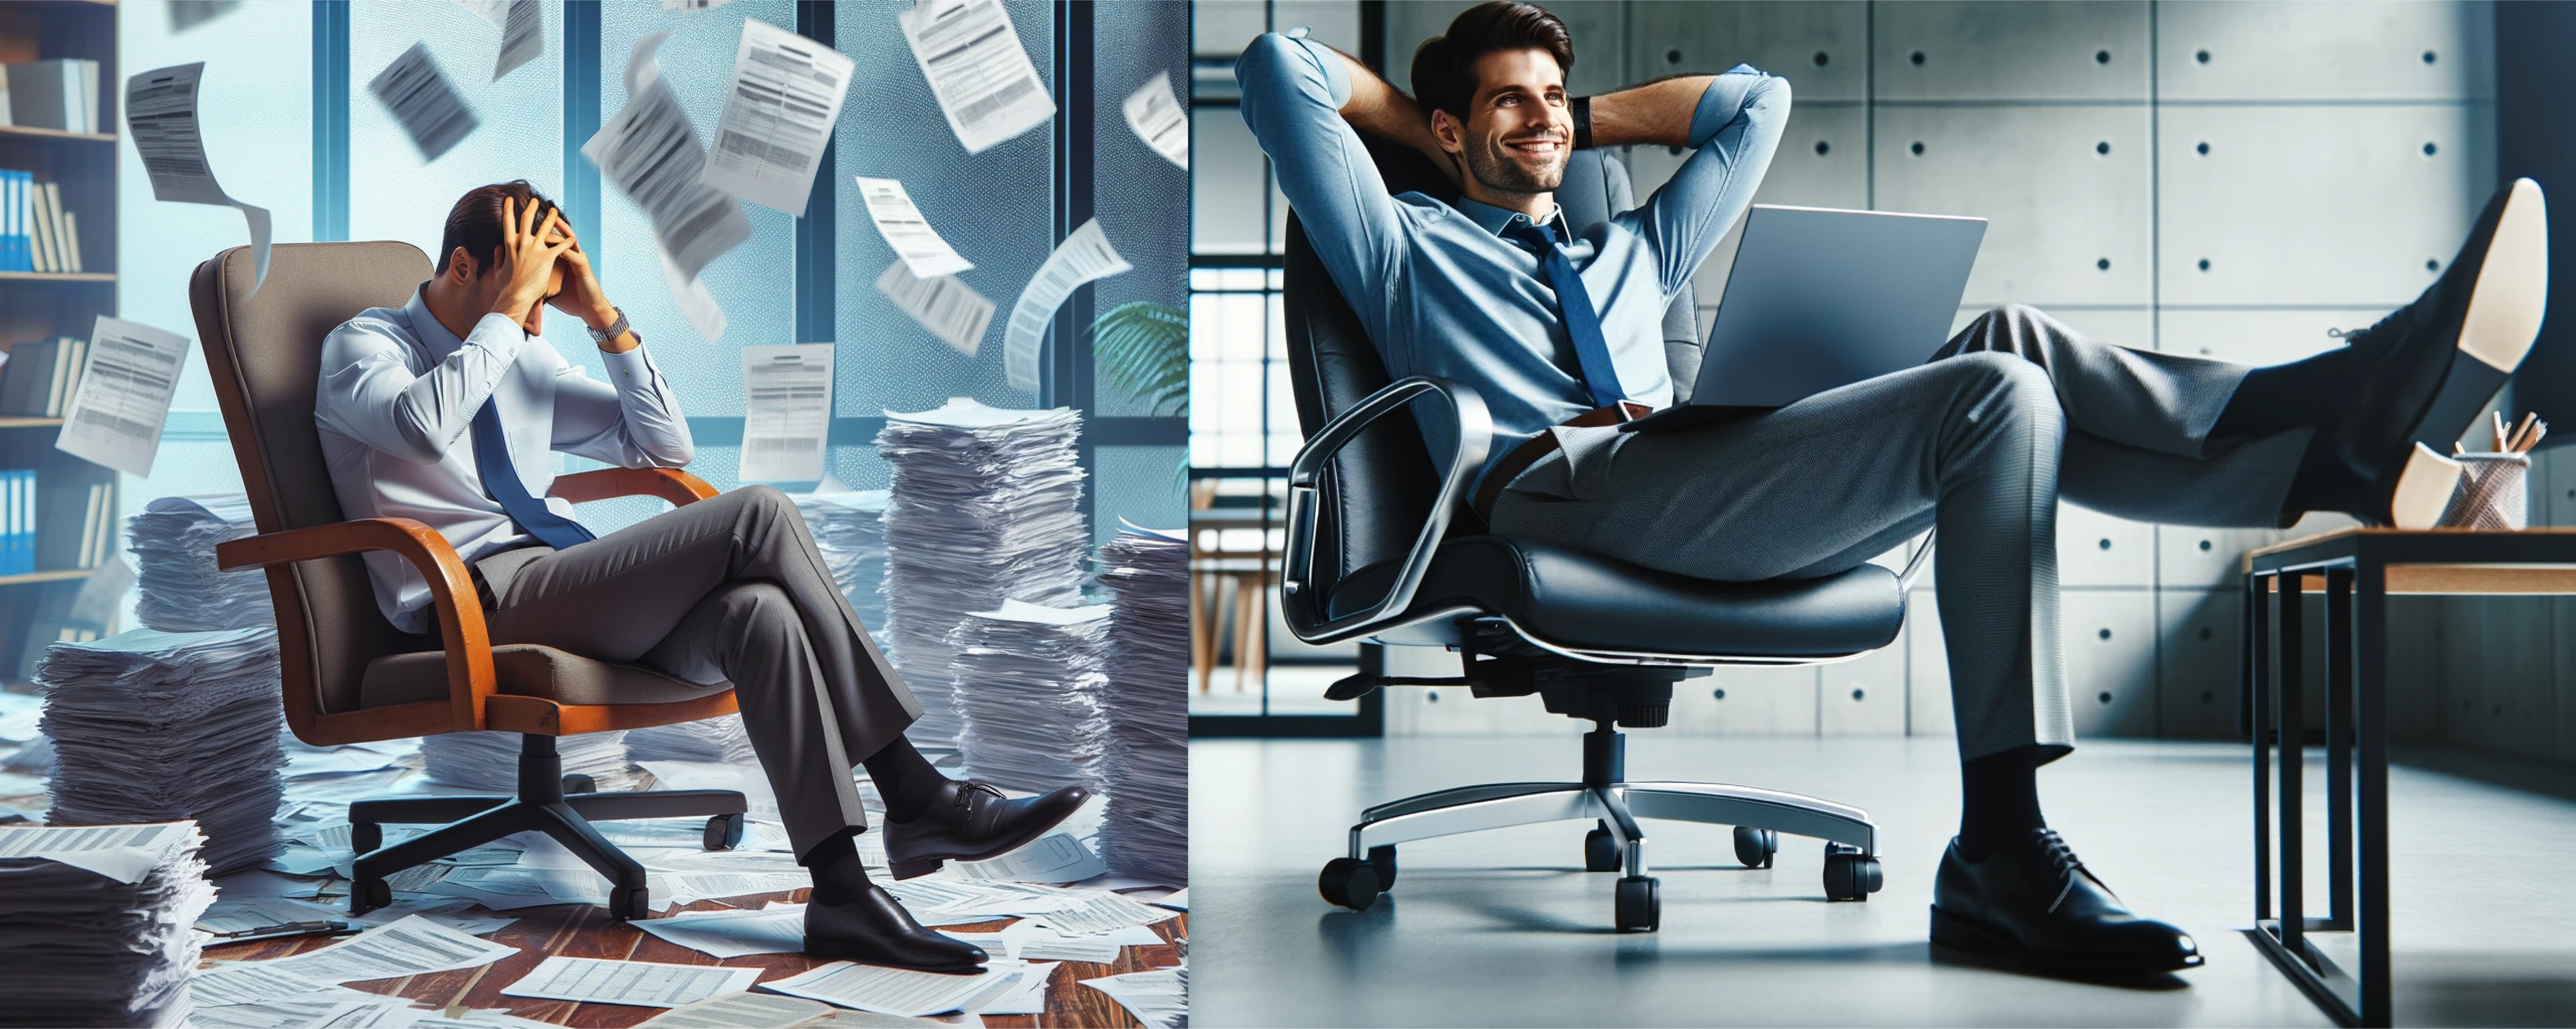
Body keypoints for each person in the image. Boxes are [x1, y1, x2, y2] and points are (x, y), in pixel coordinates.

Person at [1236, 2, 2547, 974]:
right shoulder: (1399, 248)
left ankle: (2327, 446)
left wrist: (1576, 120)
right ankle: (2007, 843)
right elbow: (1277, 69)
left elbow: (1758, 105)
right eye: (1509, 102)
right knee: (1997, 400)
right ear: (1454, 124)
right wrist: (1442, 137)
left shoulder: (1633, 243)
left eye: (1554, 100)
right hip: (1556, 488)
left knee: (2012, 349)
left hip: (1695, 473)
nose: (1546, 120)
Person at [314, 181, 1091, 973]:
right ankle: (914, 793)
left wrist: (604, 320)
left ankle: (843, 896)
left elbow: (662, 447)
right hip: (474, 601)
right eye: (525, 290)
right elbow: (418, 426)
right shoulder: (363, 350)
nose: (537, 315)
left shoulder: (524, 350)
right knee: (757, 513)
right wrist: (507, 318)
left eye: (549, 296)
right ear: (464, 266)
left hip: (558, 584)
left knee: (760, 614)